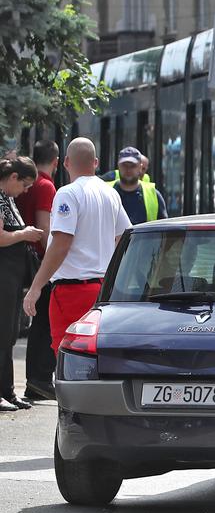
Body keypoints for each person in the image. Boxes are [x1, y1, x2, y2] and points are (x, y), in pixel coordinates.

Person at [22, 138, 131, 359]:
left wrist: (36, 287)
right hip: (103, 291)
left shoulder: (67, 193)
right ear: (96, 162)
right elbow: (125, 238)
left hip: (71, 291)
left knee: (67, 359)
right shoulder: (111, 194)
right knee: (98, 359)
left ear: (66, 163)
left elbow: (61, 243)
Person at [14, 140, 58, 401]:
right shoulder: (45, 186)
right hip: (39, 262)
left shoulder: (29, 184)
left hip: (21, 260)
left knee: (36, 322)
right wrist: (53, 261)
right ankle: (40, 379)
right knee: (44, 321)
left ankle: (36, 380)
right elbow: (44, 230)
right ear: (55, 160)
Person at [0, 157, 44, 411]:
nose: (26, 191)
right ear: (13, 177)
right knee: (2, 332)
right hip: (4, 275)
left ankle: (8, 390)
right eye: (25, 185)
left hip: (12, 276)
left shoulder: (9, 199)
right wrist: (25, 233)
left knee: (9, 334)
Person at [108, 146, 166, 225]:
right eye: (124, 165)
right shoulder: (106, 191)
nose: (128, 169)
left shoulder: (154, 195)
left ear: (140, 167)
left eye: (132, 166)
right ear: (118, 166)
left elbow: (164, 229)